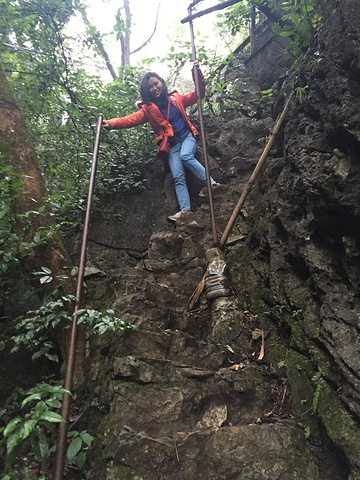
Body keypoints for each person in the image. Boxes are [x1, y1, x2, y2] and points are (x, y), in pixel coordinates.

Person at [102, 61, 219, 222]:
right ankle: (185, 211)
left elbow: (198, 94)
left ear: (161, 83)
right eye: (150, 87)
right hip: (171, 146)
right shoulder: (148, 110)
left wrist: (196, 73)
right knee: (178, 176)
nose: (154, 88)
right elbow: (130, 120)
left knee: (186, 156)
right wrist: (111, 123)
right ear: (147, 91)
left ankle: (212, 184)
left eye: (156, 83)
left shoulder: (176, 99)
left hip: (187, 137)